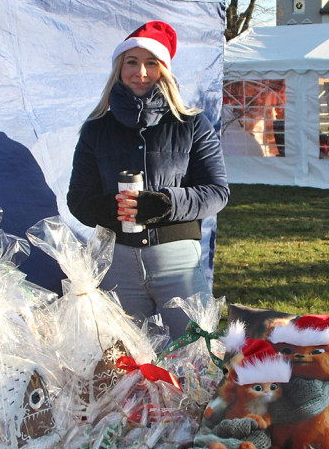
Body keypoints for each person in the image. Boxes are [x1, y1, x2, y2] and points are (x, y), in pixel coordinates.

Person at [67, 20, 229, 339]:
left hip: (178, 262)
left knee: (195, 357)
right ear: (119, 68)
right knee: (124, 364)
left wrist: (164, 204)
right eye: (132, 62)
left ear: (163, 69)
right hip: (117, 263)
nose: (140, 72)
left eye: (150, 63)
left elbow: (216, 192)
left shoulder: (192, 125)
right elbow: (78, 198)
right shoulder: (96, 128)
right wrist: (108, 208)